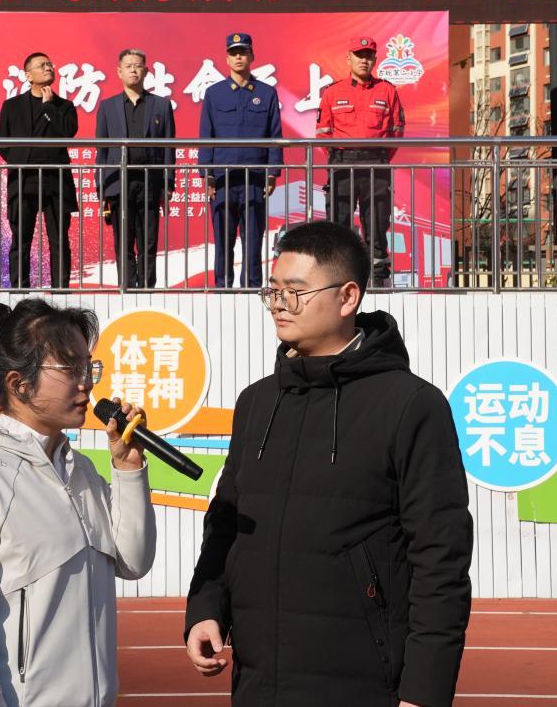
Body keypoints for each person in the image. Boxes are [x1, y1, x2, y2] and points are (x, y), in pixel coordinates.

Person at [184, 221, 473, 707]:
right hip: (258, 682)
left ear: (347, 297)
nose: (279, 304)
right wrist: (206, 608)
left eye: (295, 292)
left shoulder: (410, 405)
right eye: (273, 291)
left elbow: (440, 556)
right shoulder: (256, 402)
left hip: (363, 682)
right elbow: (226, 524)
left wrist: (424, 689)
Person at [0, 298, 156, 706]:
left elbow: (134, 561)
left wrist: (127, 468)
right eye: (70, 369)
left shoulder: (82, 471)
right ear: (20, 384)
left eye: (89, 368)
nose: (86, 383)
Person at [316, 36, 406, 286]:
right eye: (359, 55)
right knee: (338, 225)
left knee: (377, 223)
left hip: (376, 164)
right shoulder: (332, 92)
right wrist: (338, 157)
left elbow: (397, 130)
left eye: (368, 56)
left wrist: (379, 156)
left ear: (375, 59)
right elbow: (323, 133)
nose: (364, 60)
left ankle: (378, 278)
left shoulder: (387, 91)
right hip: (341, 164)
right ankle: (338, 279)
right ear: (349, 59)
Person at [198, 32, 284, 288]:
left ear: (252, 56)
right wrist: (207, 174)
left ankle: (252, 288)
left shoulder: (266, 93)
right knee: (223, 240)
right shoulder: (214, 93)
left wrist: (272, 172)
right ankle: (222, 288)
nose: (238, 57)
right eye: (233, 53)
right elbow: (206, 135)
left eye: (243, 52)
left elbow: (275, 135)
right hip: (222, 179)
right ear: (226, 59)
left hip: (254, 179)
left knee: (253, 240)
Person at [94, 48, 177, 288]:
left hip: (150, 181)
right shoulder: (108, 107)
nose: (133, 70)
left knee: (148, 240)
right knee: (123, 240)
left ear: (146, 71)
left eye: (138, 65)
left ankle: (147, 288)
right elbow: (101, 150)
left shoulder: (161, 105)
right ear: (119, 72)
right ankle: (127, 288)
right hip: (118, 182)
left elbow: (169, 147)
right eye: (128, 66)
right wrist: (101, 186)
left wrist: (168, 183)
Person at [0, 52, 79, 288]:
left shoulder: (64, 106)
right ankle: (20, 291)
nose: (48, 68)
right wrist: (23, 161)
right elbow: (2, 143)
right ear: (28, 75)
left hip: (56, 181)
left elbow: (68, 133)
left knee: (59, 240)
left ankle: (60, 291)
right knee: (21, 240)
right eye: (42, 65)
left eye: (50, 64)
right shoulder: (12, 106)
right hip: (24, 180)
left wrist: (49, 106)